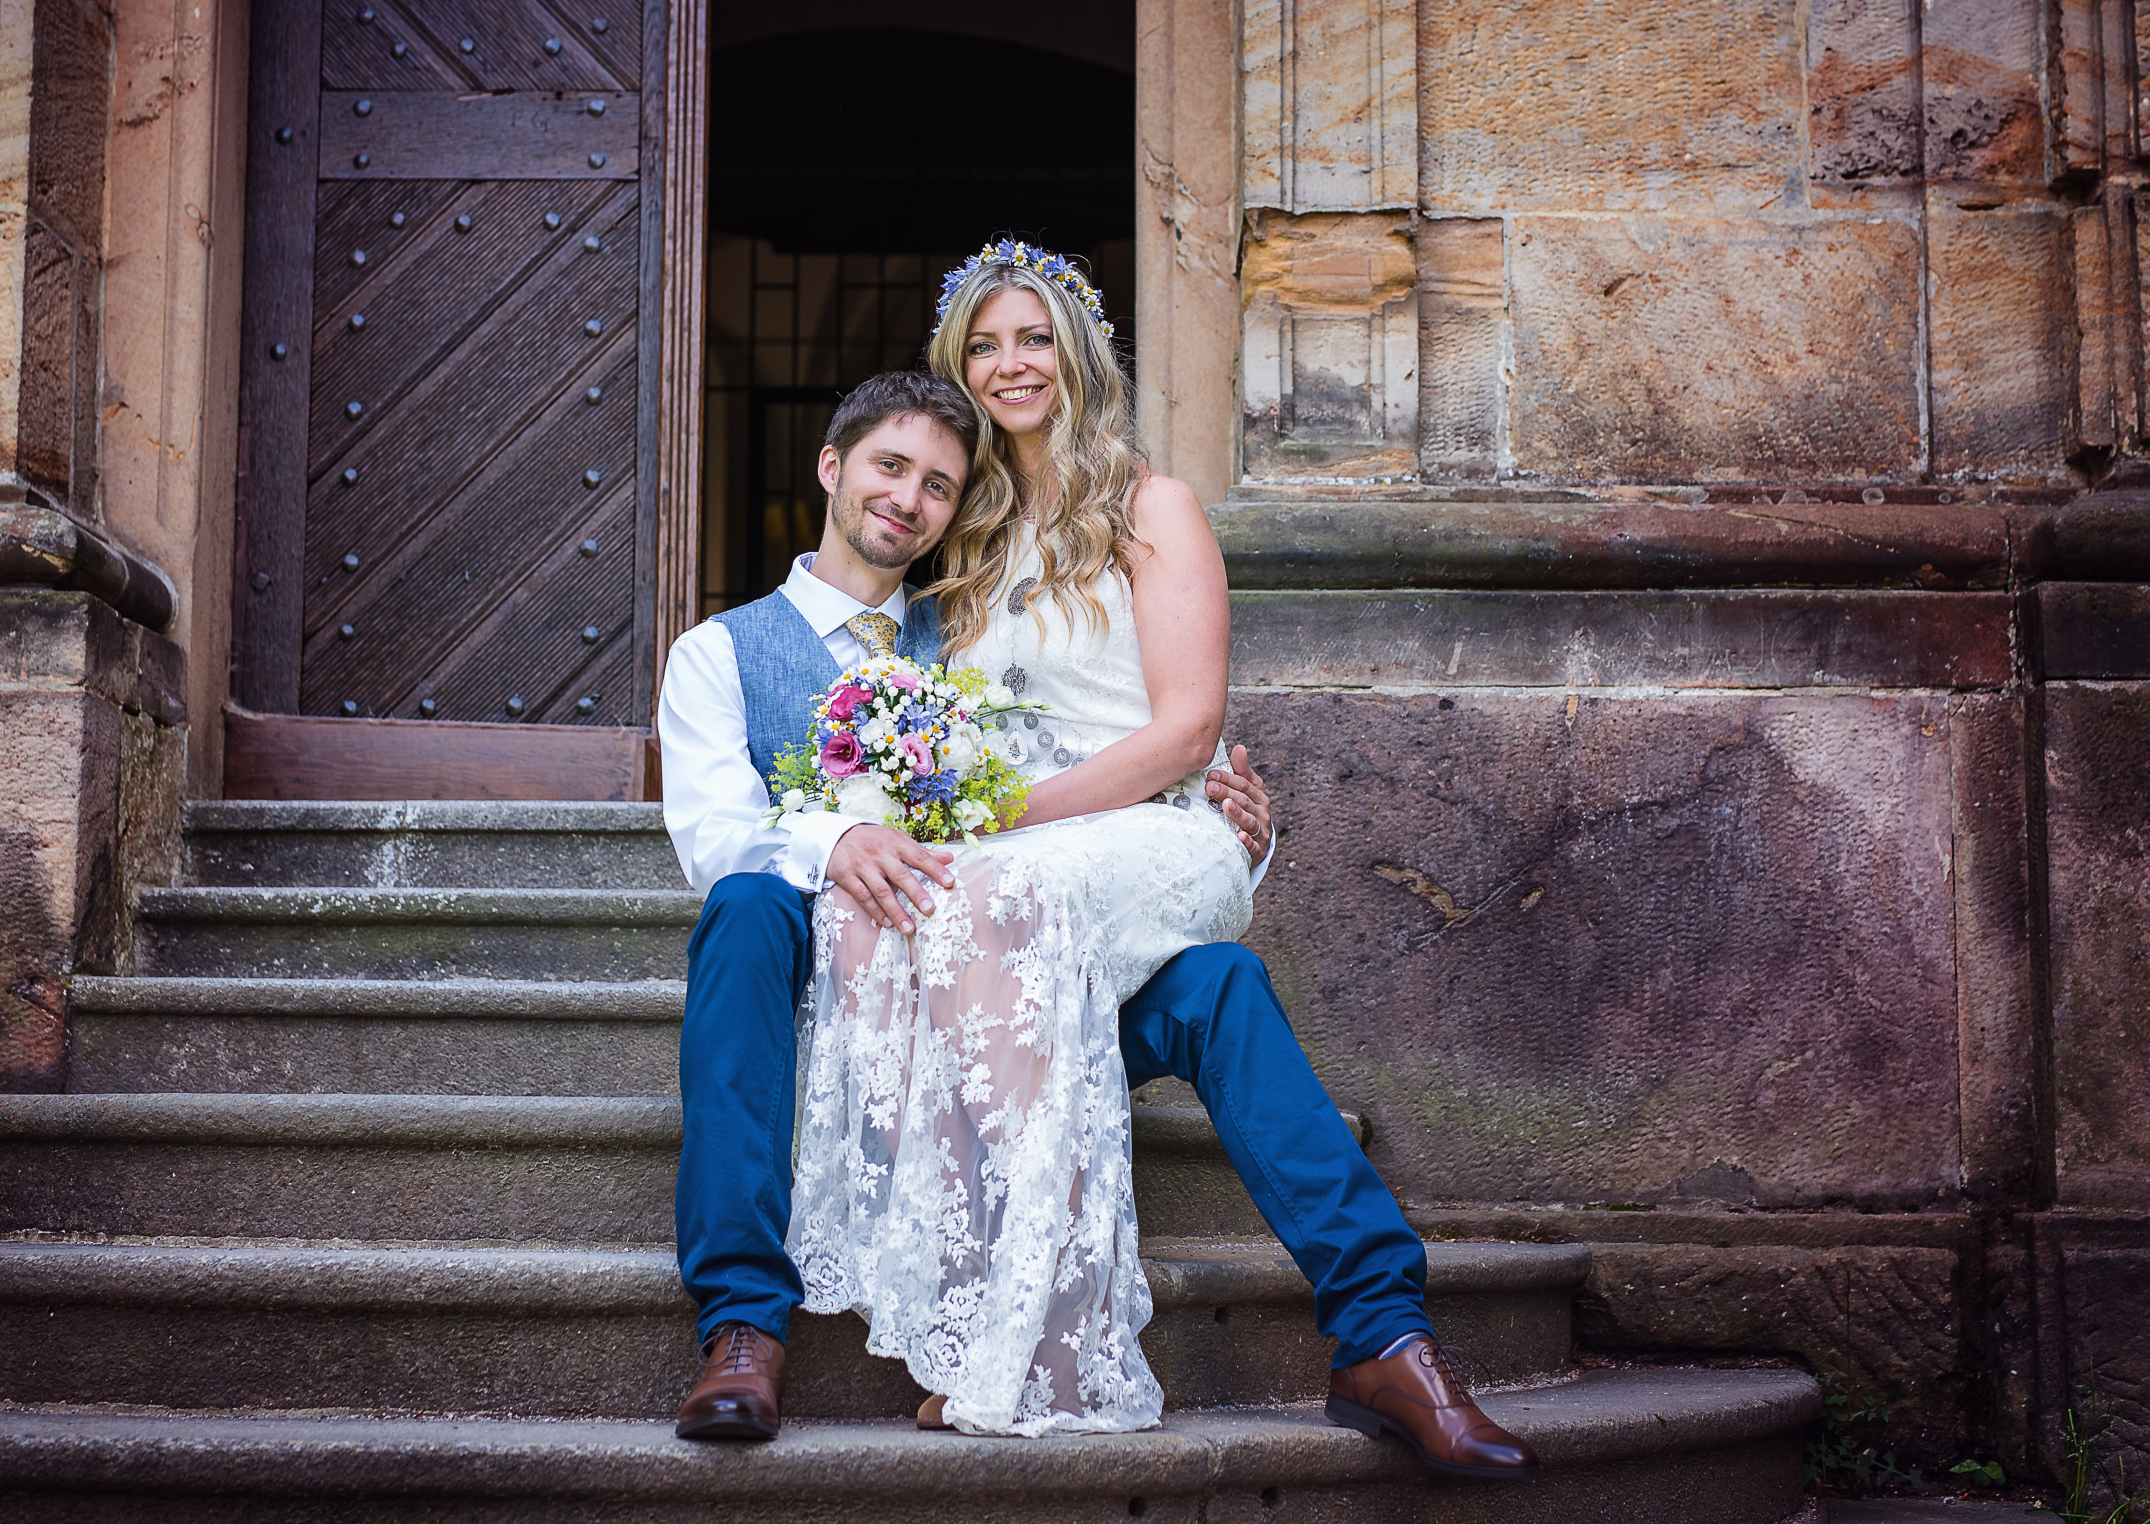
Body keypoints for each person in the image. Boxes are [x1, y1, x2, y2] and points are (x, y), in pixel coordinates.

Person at [658, 291, 1537, 1467]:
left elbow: (1103, 729)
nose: (907, 499)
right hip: (834, 1011)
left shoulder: (971, 609)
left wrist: (1224, 818)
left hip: (1009, 966)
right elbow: (714, 836)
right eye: (887, 468)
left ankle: (1385, 1333)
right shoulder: (717, 653)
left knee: (1217, 985)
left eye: (935, 483)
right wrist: (836, 844)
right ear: (831, 467)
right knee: (745, 905)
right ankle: (742, 1326)